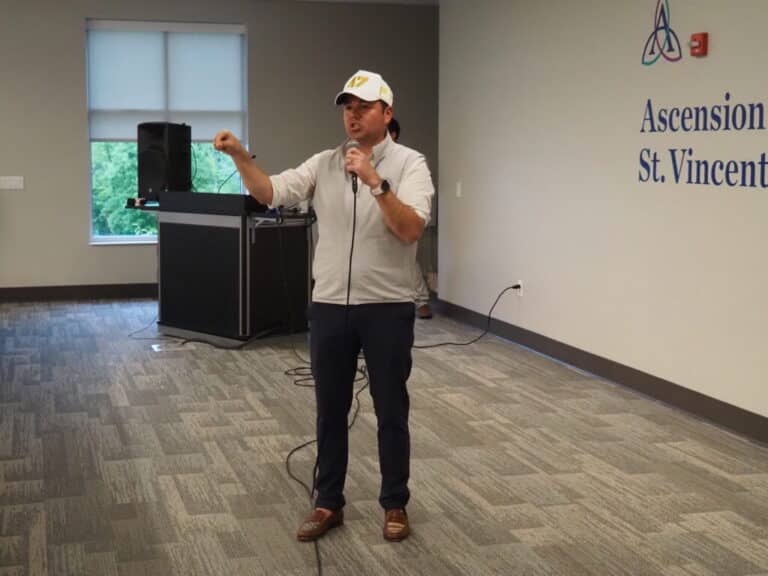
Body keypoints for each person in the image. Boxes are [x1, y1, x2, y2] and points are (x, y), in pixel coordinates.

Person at [213, 70, 434, 543]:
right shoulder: (324, 163)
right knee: (329, 410)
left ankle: (395, 503)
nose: (353, 115)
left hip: (387, 306)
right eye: (347, 108)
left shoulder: (410, 164)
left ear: (387, 113)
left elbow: (411, 229)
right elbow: (270, 192)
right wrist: (240, 157)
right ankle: (328, 502)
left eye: (363, 107)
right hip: (331, 305)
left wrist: (376, 183)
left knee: (391, 410)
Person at [387, 118, 433, 320]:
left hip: (403, 219)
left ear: (393, 134)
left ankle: (421, 302)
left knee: (410, 263)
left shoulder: (409, 161)